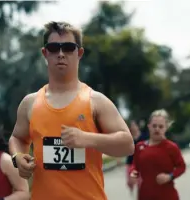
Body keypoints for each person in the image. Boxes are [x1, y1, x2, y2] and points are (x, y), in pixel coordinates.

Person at [8, 21, 135, 200]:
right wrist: (18, 156)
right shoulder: (30, 103)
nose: (60, 54)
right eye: (53, 48)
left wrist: (87, 138)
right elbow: (17, 138)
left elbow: (128, 145)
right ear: (45, 53)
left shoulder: (96, 101)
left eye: (68, 47)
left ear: (79, 53)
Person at [129, 109, 186, 200]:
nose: (157, 129)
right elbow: (135, 165)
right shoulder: (140, 146)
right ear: (149, 126)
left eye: (161, 126)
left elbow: (181, 167)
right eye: (154, 126)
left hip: (167, 196)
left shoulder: (171, 147)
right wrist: (133, 174)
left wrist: (169, 176)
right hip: (145, 195)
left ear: (166, 127)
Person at [125, 120, 143, 193]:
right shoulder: (129, 138)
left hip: (141, 164)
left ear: (138, 126)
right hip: (130, 163)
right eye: (131, 126)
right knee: (130, 183)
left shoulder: (144, 137)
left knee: (141, 183)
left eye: (134, 125)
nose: (133, 127)